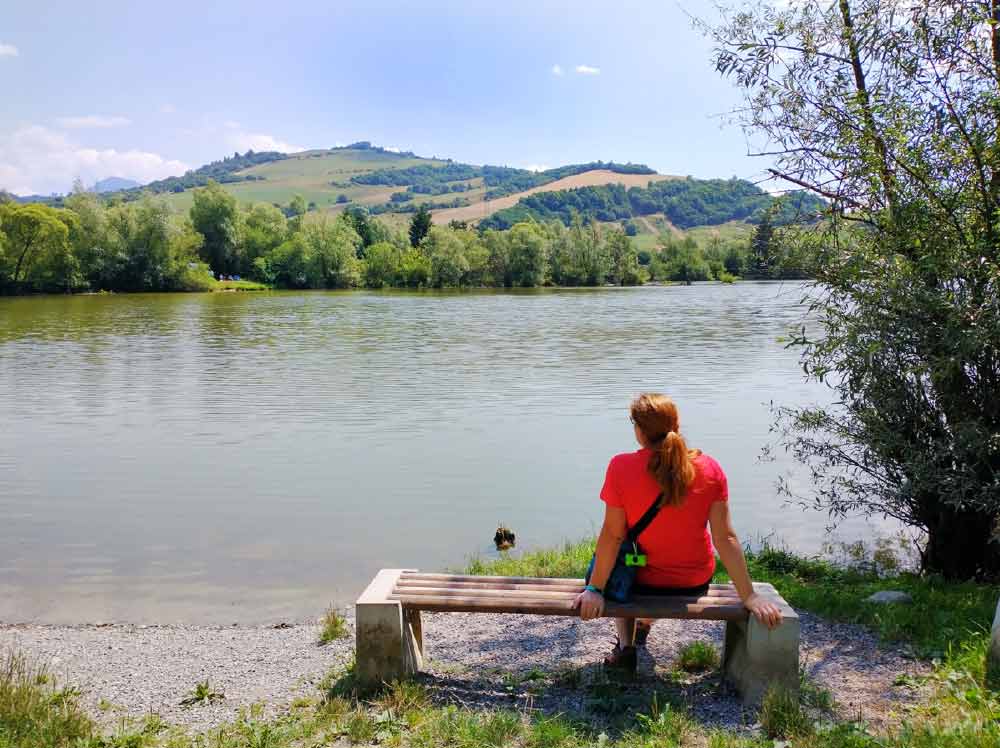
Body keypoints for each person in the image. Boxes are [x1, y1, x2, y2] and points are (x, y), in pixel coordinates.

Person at [573, 393, 783, 671]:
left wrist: (594, 589)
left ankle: (626, 647)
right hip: (692, 581)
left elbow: (613, 536)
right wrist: (749, 596)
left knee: (623, 567)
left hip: (639, 580)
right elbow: (725, 538)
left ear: (639, 430)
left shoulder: (621, 467)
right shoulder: (709, 468)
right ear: (677, 425)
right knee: (633, 570)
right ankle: (644, 624)